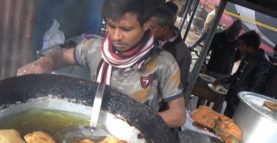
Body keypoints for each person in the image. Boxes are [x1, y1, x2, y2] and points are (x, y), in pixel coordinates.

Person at [17, 0, 186, 128]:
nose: (116, 36)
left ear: (147, 25)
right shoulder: (95, 48)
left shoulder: (164, 64)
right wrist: (45, 61)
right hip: (92, 126)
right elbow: (61, 56)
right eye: (111, 26)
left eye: (126, 29)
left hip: (134, 137)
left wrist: (136, 121)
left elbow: (178, 115)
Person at [216, 31, 271, 117]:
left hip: (241, 105)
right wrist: (223, 81)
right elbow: (237, 75)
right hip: (232, 99)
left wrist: (241, 102)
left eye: (242, 46)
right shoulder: (247, 56)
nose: (239, 48)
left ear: (251, 47)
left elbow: (254, 89)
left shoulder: (263, 64)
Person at [149, 5, 191, 89]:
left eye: (152, 27)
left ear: (164, 29)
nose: (148, 29)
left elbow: (179, 86)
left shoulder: (183, 54)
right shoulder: (149, 39)